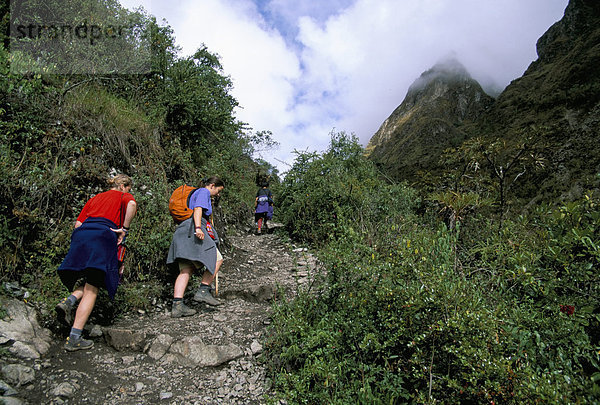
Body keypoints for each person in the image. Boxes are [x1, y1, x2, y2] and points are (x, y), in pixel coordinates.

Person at [55, 174, 137, 351]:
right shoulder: (123, 196)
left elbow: (78, 223)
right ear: (123, 186)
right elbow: (132, 205)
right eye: (129, 188)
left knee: (91, 278)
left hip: (81, 236)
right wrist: (124, 229)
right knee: (93, 287)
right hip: (102, 235)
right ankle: (74, 338)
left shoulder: (95, 198)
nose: (129, 192)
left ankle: (69, 301)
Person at [167, 177, 225, 317]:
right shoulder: (203, 192)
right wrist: (198, 228)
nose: (218, 194)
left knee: (186, 269)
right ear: (212, 185)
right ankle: (203, 291)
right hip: (194, 228)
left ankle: (177, 305)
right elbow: (198, 208)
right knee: (217, 259)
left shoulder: (194, 193)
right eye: (218, 190)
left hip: (182, 231)